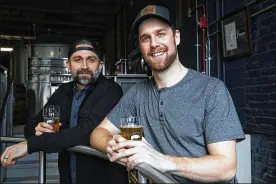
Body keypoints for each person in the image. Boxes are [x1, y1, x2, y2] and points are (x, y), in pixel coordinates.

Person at [90, 5, 245, 183]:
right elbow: (98, 133)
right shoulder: (137, 94)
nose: (154, 44)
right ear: (141, 47)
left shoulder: (212, 90)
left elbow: (226, 168)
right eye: (145, 38)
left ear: (176, 37)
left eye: (161, 34)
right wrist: (112, 145)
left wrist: (162, 161)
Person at [1, 39, 128, 184]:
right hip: (68, 177)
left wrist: (30, 145)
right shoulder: (63, 91)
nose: (84, 66)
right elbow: (31, 125)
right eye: (77, 60)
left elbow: (86, 132)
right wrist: (37, 129)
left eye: (91, 60)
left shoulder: (110, 91)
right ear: (68, 65)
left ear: (100, 65)